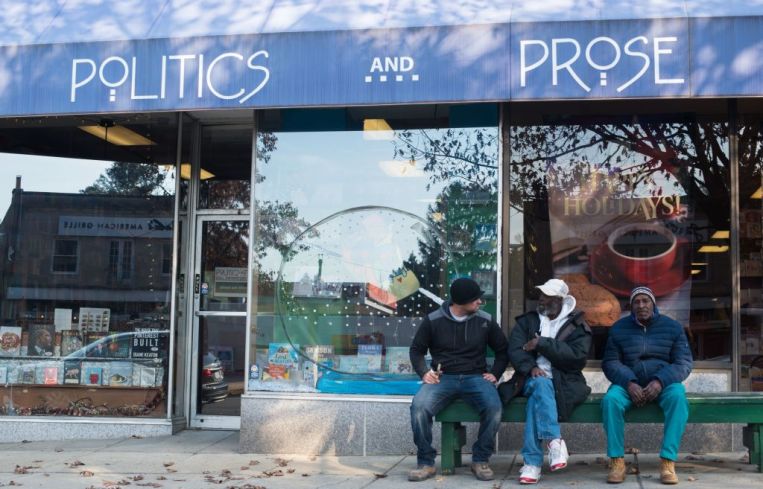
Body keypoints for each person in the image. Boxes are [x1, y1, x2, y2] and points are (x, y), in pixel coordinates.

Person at [408, 277, 509, 482]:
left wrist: (495, 373)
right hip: (443, 378)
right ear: (461, 302)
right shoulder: (433, 320)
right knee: (419, 407)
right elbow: (417, 350)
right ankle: (426, 463)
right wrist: (424, 372)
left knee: (494, 408)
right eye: (475, 299)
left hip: (476, 377)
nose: (480, 302)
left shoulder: (485, 321)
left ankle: (480, 459)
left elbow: (503, 350)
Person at [500, 278, 592, 485]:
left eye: (547, 296)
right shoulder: (528, 321)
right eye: (541, 295)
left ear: (560, 300)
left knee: (536, 400)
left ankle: (532, 463)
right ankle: (554, 440)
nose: (541, 299)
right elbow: (515, 349)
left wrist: (542, 343)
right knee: (540, 384)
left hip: (565, 383)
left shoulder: (577, 326)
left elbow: (577, 358)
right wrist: (529, 367)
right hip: (528, 379)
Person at [601, 286, 693, 485]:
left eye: (645, 301)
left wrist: (660, 381)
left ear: (653, 303)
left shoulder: (673, 327)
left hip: (662, 384)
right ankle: (617, 461)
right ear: (632, 306)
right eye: (637, 302)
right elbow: (610, 362)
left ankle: (668, 461)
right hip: (629, 384)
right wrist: (629, 382)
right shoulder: (618, 329)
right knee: (610, 400)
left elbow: (683, 363)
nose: (641, 305)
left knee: (678, 398)